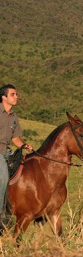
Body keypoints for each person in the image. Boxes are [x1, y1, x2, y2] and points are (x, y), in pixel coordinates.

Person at [0, 84, 33, 228]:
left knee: (25, 167)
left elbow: (15, 139)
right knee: (3, 176)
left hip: (7, 150)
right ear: (4, 97)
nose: (16, 97)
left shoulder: (14, 117)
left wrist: (25, 146)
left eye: (16, 94)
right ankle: (1, 215)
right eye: (13, 94)